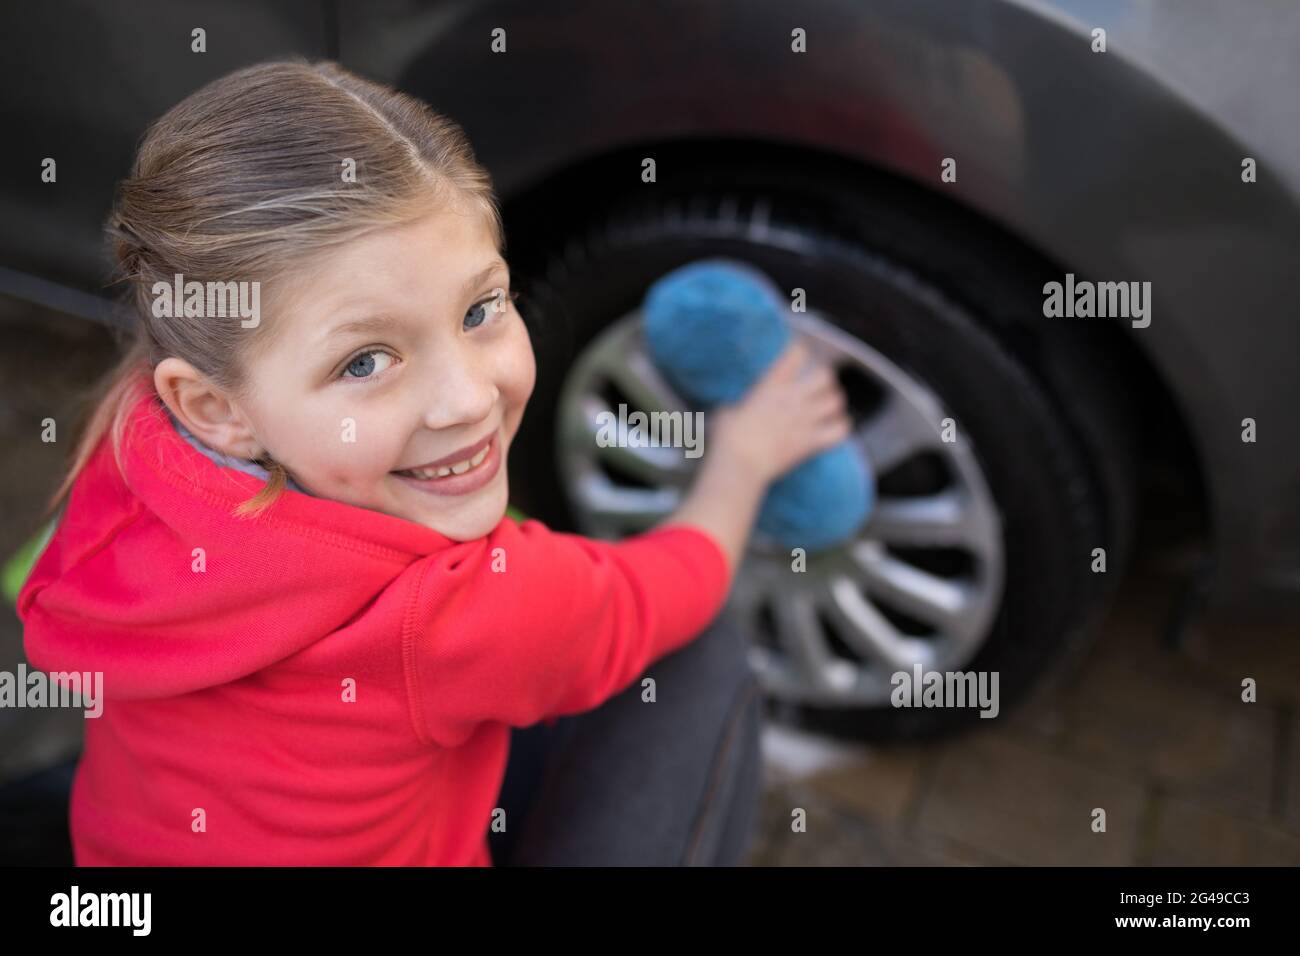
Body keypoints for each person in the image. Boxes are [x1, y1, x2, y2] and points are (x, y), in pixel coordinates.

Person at [17, 60, 850, 866]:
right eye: (365, 362)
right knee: (699, 655)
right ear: (219, 409)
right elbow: (673, 590)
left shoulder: (133, 449)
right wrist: (742, 460)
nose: (466, 401)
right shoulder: (458, 612)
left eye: (481, 308)